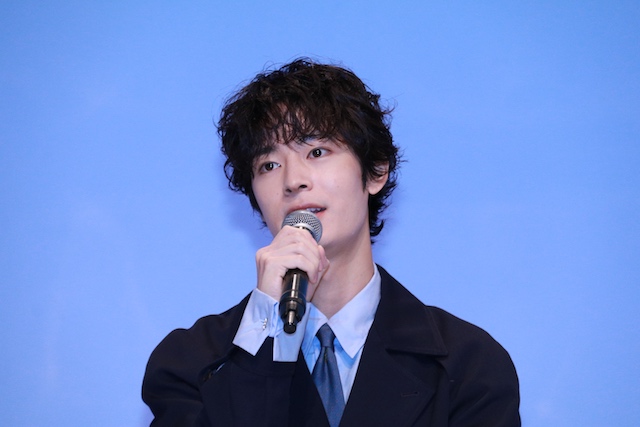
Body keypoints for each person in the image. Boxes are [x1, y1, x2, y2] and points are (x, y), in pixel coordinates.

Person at [142, 58, 521, 426]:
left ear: (376, 171)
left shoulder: (469, 366)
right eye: (268, 165)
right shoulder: (189, 364)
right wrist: (266, 326)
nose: (293, 180)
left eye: (317, 152)